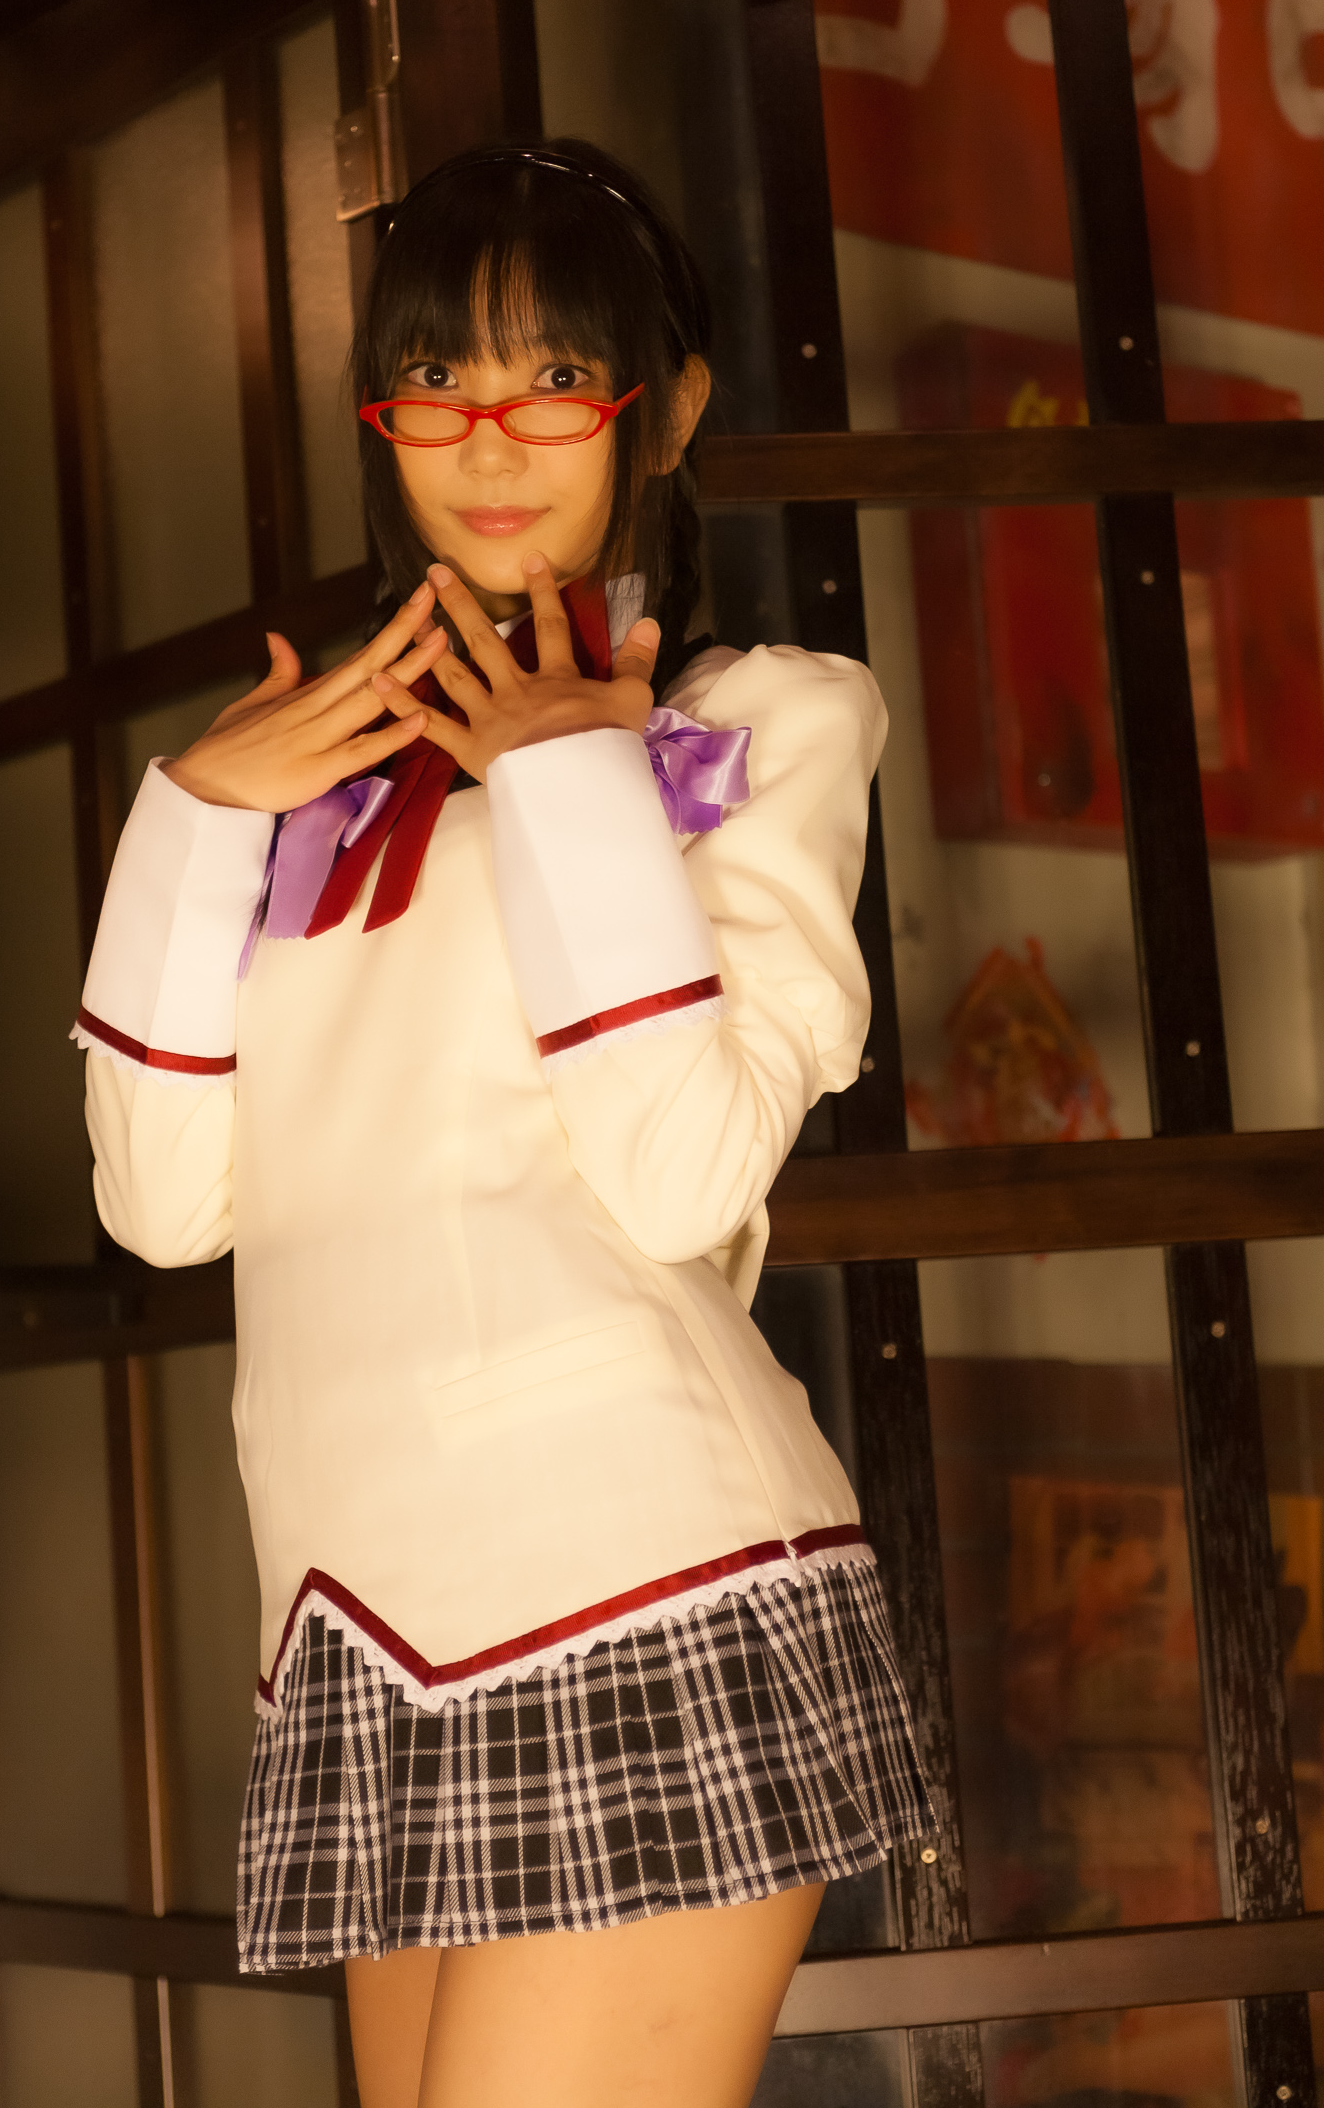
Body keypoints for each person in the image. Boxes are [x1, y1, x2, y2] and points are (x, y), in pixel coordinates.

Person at [74, 140, 932, 2108]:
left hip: (638, 1581)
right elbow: (164, 1206)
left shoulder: (761, 720)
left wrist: (564, 778)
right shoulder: (316, 779)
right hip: (360, 1623)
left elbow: (678, 1169)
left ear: (667, 409)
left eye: (553, 376)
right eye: (434, 379)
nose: (487, 439)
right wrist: (187, 822)